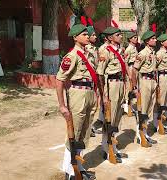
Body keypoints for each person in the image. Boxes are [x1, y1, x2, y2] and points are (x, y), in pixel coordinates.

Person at [56, 23, 97, 180]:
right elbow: (59, 80)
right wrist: (62, 105)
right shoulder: (71, 56)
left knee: (85, 131)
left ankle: (78, 166)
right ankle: (69, 171)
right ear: (75, 37)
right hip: (78, 94)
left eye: (88, 34)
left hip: (90, 93)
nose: (88, 36)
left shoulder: (89, 54)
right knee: (74, 132)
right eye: (84, 34)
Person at [97, 25, 128, 163]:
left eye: (120, 34)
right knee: (109, 118)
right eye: (118, 35)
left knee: (117, 117)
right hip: (111, 85)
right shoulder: (105, 50)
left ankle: (113, 145)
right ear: (110, 38)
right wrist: (103, 93)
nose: (121, 36)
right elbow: (100, 73)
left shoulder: (120, 50)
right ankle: (106, 147)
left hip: (120, 84)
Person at [132, 29, 158, 146]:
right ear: (147, 41)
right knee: (143, 110)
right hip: (144, 82)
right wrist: (135, 87)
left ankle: (145, 133)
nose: (155, 40)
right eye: (153, 39)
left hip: (152, 81)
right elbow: (134, 70)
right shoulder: (142, 53)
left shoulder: (152, 53)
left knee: (148, 109)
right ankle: (140, 135)